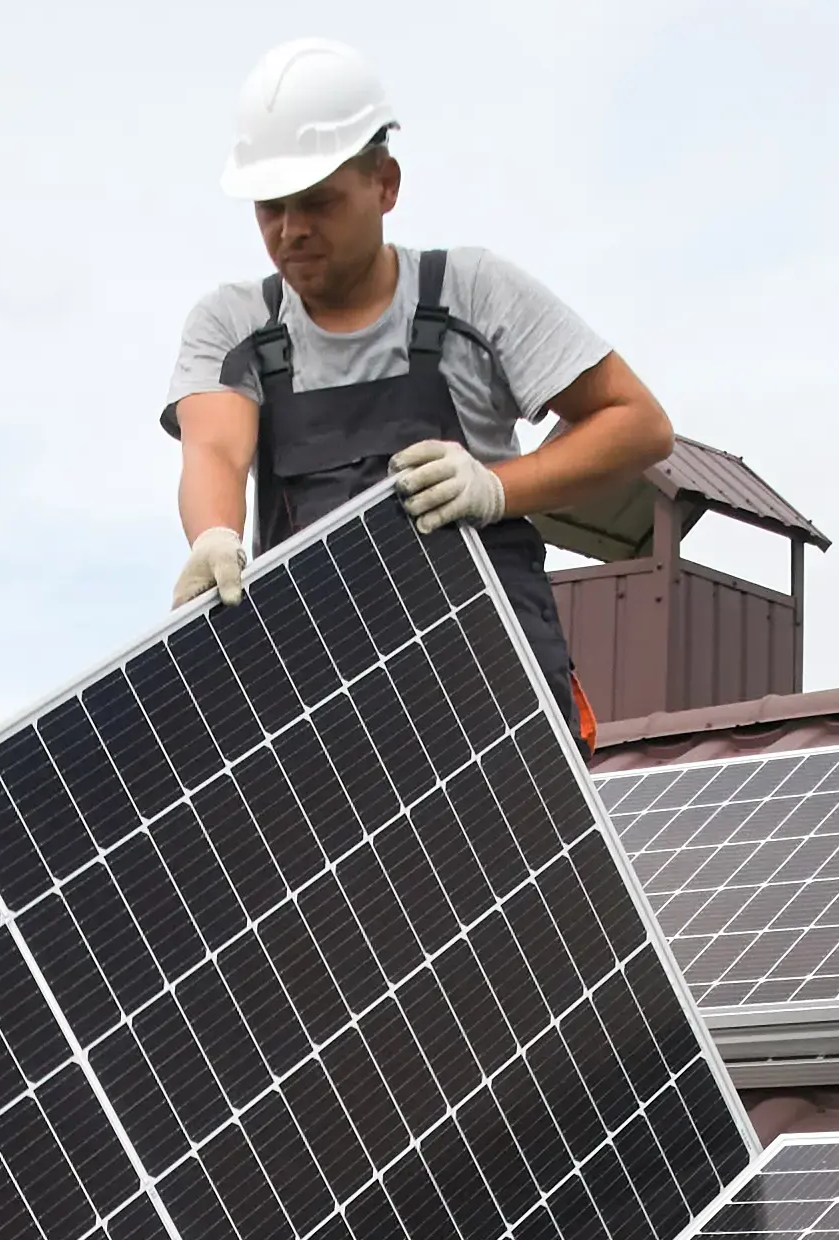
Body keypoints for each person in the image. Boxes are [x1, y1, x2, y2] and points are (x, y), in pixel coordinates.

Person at [163, 36, 672, 735]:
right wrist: (214, 535)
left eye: (317, 202)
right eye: (270, 208)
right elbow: (217, 448)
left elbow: (637, 423)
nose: (291, 231)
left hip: (486, 692)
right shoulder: (235, 323)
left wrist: (496, 488)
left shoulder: (475, 294)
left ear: (385, 184)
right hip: (322, 702)